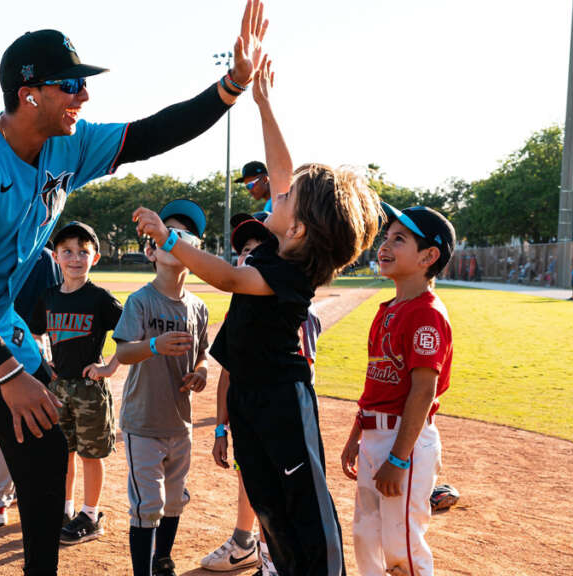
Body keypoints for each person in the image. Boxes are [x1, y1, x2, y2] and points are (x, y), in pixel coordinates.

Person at [0, 3, 269, 571]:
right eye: (70, 86)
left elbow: (151, 133)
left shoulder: (71, 144)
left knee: (43, 453)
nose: (82, 98)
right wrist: (9, 373)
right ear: (28, 91)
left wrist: (231, 84)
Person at [134, 56, 383, 575]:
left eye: (286, 197)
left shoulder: (291, 275)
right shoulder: (280, 244)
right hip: (249, 395)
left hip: (280, 400)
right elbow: (282, 170)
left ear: (301, 231)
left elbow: (225, 278)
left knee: (305, 511)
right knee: (269, 503)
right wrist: (265, 105)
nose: (276, 190)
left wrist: (169, 238)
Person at [201, 212, 322, 576]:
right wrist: (221, 428)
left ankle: (269, 557)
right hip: (245, 412)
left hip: (278, 414)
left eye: (256, 249)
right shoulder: (242, 309)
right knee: (253, 482)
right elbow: (228, 370)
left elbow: (304, 369)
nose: (247, 256)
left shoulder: (291, 301)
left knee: (286, 496)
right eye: (242, 251)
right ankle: (247, 544)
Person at [339, 203, 455, 576]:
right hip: (377, 435)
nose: (384, 246)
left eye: (399, 239)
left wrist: (399, 459)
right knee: (366, 536)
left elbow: (423, 391)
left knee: (401, 543)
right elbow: (376, 383)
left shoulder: (426, 312)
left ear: (429, 256)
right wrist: (357, 434)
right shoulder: (389, 309)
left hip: (403, 441)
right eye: (386, 238)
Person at [114, 199, 210, 576]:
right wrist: (154, 346)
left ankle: (162, 559)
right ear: (152, 249)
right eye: (169, 233)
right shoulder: (140, 301)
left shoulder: (198, 307)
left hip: (179, 422)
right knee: (147, 504)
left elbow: (202, 355)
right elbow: (122, 353)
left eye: (185, 236)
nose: (177, 240)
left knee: (174, 500)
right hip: (143, 422)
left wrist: (200, 372)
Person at [25, 221, 123, 545]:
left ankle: (91, 515)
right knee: (61, 454)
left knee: (90, 455)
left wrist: (109, 366)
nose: (75, 258)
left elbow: (130, 333)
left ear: (95, 258)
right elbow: (35, 332)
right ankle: (64, 509)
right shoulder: (49, 296)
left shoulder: (99, 298)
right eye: (67, 251)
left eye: (83, 251)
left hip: (89, 390)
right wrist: (43, 360)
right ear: (55, 256)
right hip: (58, 388)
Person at [0, 244, 63, 528]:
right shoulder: (44, 255)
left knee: (5, 425)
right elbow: (51, 300)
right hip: (25, 341)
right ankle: (9, 495)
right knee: (20, 423)